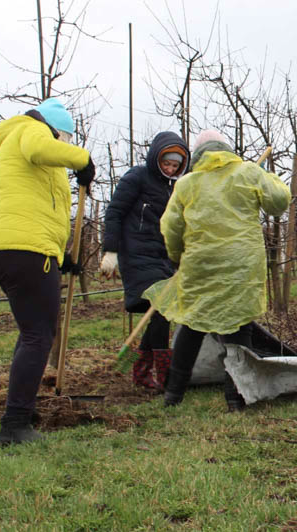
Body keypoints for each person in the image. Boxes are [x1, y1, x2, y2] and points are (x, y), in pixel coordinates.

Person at [143, 131, 291, 412]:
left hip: (201, 264)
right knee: (238, 327)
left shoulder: (187, 183)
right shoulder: (247, 173)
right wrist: (264, 175)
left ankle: (173, 395)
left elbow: (171, 227)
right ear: (226, 149)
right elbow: (279, 201)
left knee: (192, 324)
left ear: (198, 154)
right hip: (241, 265)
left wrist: (177, 257)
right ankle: (235, 399)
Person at [0, 97, 95, 445]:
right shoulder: (28, 131)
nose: (65, 147)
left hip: (13, 248)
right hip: (25, 250)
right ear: (55, 131)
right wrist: (83, 159)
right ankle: (14, 426)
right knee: (38, 336)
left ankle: (22, 411)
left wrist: (61, 257)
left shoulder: (16, 151)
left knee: (31, 330)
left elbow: (38, 210)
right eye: (65, 140)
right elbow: (40, 147)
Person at [100, 131, 190, 391]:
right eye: (166, 163)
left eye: (175, 166)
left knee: (161, 313)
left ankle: (142, 372)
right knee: (160, 309)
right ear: (156, 158)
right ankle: (163, 375)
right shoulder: (137, 176)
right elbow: (115, 212)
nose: (170, 169)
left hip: (161, 258)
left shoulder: (174, 187)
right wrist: (111, 251)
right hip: (136, 255)